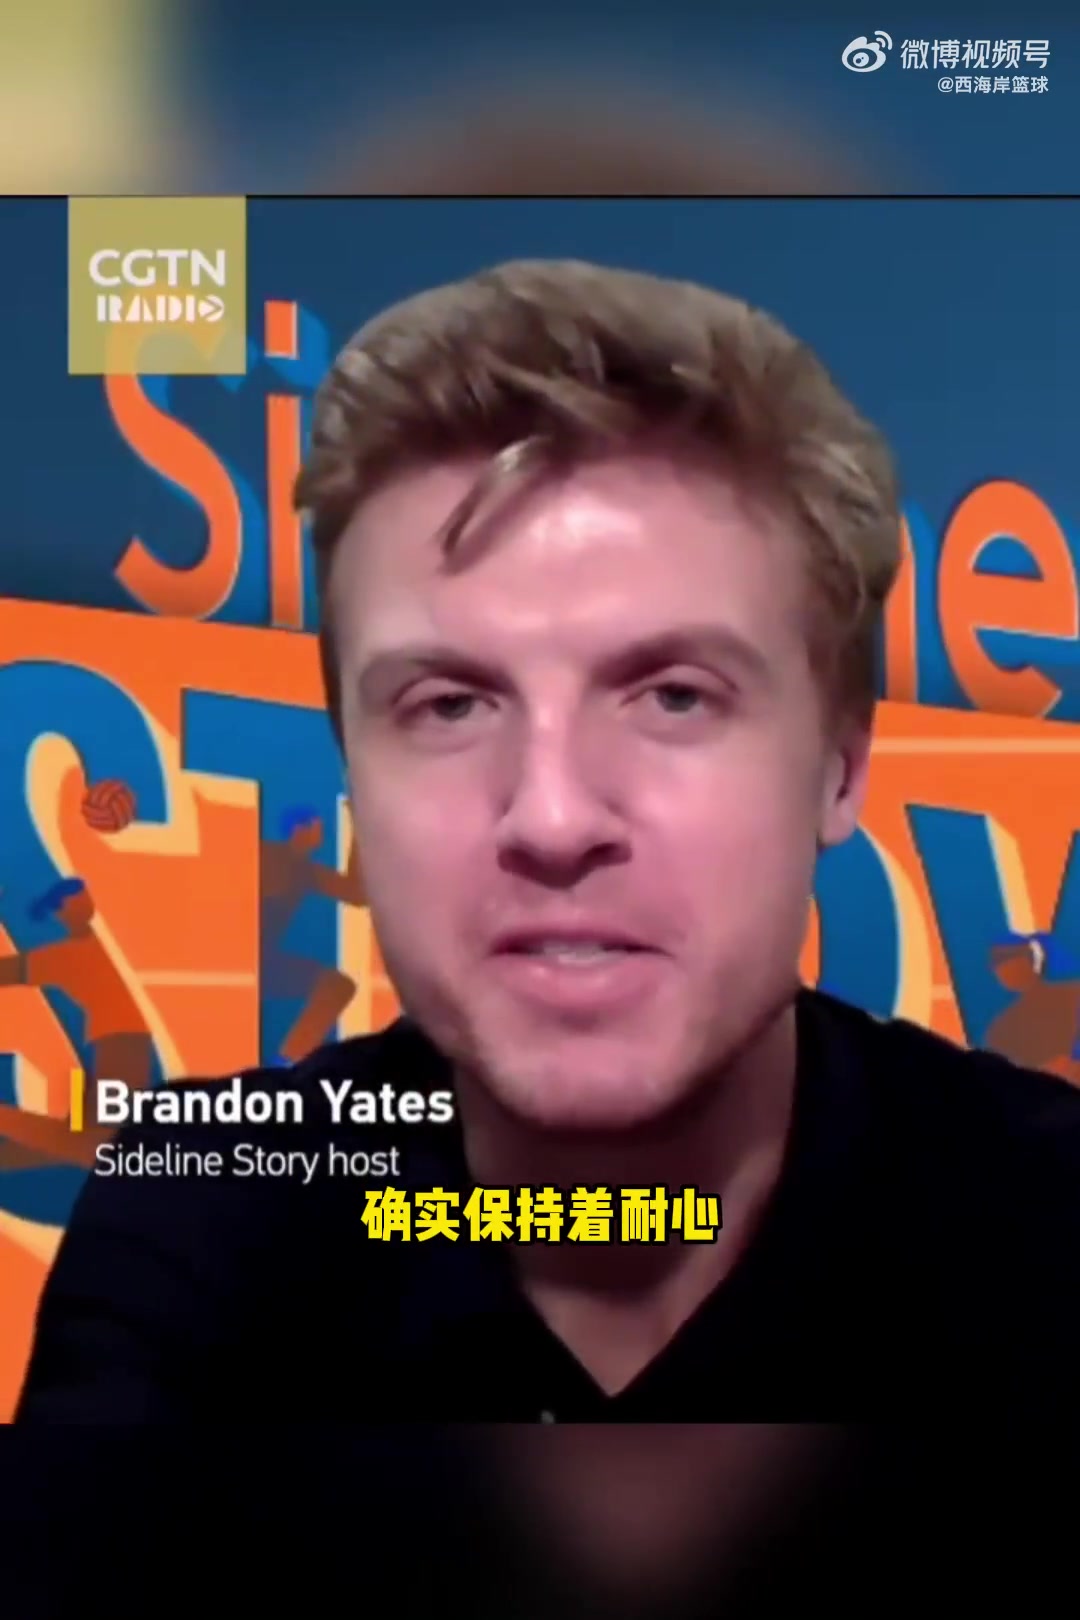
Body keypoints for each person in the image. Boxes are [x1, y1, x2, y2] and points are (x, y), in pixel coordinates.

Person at [14, 259, 1080, 1426]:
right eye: (449, 706)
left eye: (675, 696)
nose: (554, 818)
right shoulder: (207, 1210)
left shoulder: (1048, 1213)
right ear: (351, 767)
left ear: (842, 765)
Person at [0, 876, 154, 1169]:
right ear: (62, 912)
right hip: (117, 1049)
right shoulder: (71, 956)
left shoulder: (103, 945)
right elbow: (12, 970)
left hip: (111, 1051)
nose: (83, 900)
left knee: (81, 1138)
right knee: (89, 1140)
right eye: (72, 898)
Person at [259, 805, 364, 1064]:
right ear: (298, 829)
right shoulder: (263, 854)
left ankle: (287, 1061)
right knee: (336, 986)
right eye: (316, 826)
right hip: (234, 957)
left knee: (337, 987)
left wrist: (360, 829)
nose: (322, 832)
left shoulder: (304, 871)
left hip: (265, 962)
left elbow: (355, 893)